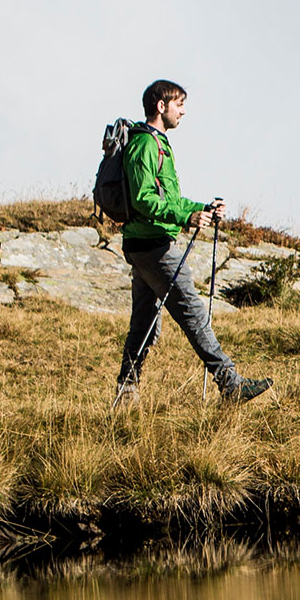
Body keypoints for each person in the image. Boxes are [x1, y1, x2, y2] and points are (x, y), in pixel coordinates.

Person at [114, 79, 272, 405]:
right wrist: (185, 218)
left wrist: (200, 209)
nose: (183, 111)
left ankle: (126, 395)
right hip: (156, 248)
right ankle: (230, 384)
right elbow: (145, 200)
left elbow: (167, 198)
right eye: (179, 104)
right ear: (161, 106)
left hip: (143, 245)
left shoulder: (155, 143)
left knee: (144, 326)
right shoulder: (146, 145)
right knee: (194, 316)